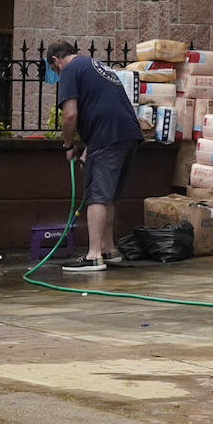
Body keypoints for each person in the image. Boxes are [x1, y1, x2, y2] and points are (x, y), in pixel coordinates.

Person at [46, 39, 142, 273]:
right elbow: (104, 107)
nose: (57, 74)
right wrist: (89, 149)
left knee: (97, 195)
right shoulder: (95, 66)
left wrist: (69, 145)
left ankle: (94, 256)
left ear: (55, 61)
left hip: (107, 136)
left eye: (53, 70)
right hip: (127, 133)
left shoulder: (68, 69)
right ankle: (109, 249)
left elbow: (69, 115)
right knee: (108, 195)